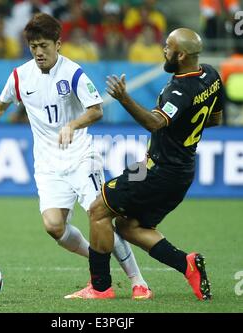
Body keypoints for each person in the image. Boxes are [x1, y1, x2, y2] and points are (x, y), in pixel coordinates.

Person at [0, 13, 152, 300]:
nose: (39, 52)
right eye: (33, 47)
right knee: (54, 225)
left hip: (81, 157)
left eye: (44, 46)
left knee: (99, 218)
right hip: (47, 164)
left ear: (58, 44)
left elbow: (96, 109)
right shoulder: (20, 75)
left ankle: (139, 282)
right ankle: (98, 260)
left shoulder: (74, 73)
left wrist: (72, 125)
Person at [66, 28, 223, 300]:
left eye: (168, 46)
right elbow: (215, 119)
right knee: (129, 227)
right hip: (179, 171)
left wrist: (124, 98)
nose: (164, 50)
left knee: (98, 210)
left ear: (181, 54)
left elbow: (155, 122)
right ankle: (186, 264)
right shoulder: (211, 75)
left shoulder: (179, 89)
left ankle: (100, 288)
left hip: (158, 170)